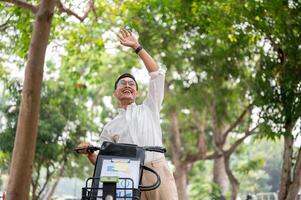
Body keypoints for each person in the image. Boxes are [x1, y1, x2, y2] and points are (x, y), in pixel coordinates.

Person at [77, 29, 178, 200]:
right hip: (128, 179)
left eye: (131, 83)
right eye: (122, 83)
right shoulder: (111, 127)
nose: (127, 85)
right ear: (115, 93)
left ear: (137, 93)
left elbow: (156, 74)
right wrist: (90, 154)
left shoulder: (149, 108)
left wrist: (137, 47)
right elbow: (104, 164)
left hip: (157, 170)